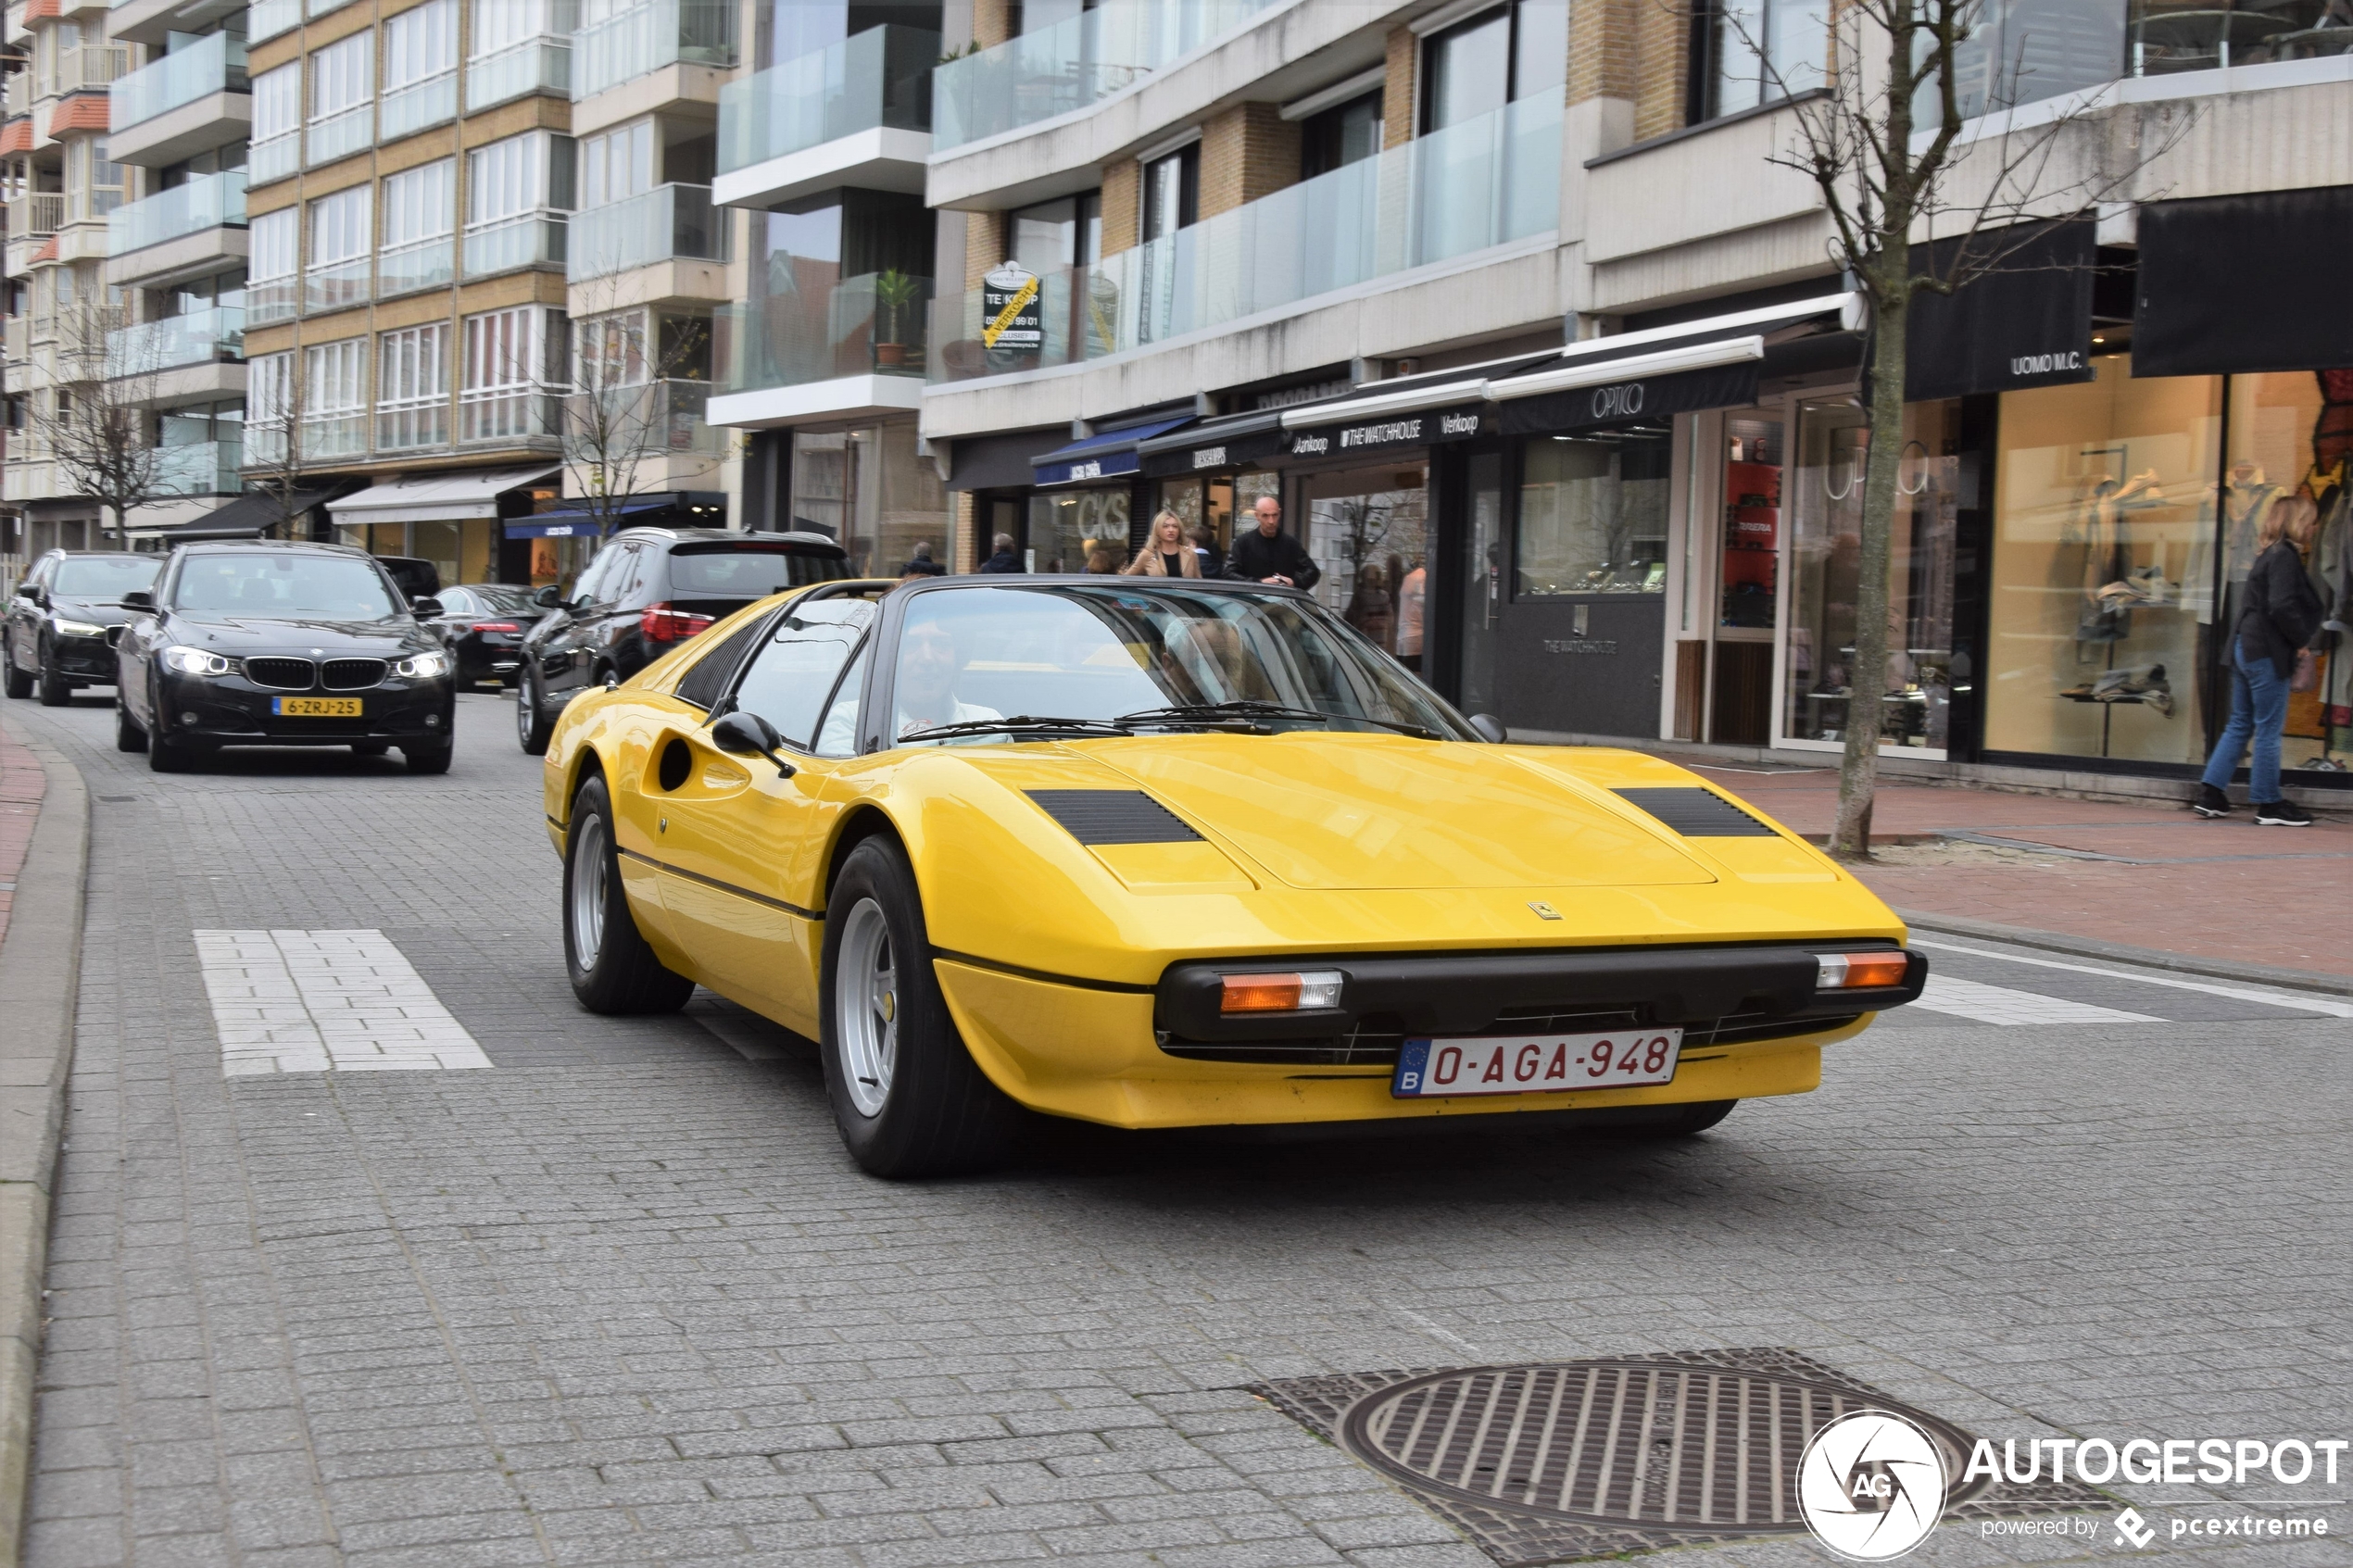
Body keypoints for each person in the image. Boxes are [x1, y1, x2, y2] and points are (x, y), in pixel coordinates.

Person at [2196, 493, 2325, 824]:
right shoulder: (2284, 556)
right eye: (2310, 520)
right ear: (2297, 522)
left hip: (2245, 647)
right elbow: (2281, 605)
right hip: (2266, 650)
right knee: (2268, 729)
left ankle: (2212, 794)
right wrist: (2300, 642)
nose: (2315, 527)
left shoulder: (2268, 553)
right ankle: (2269, 804)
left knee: (2240, 722)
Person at [1224, 495, 1320, 590]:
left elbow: (1313, 572)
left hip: (1282, 600)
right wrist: (1258, 582)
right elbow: (1228, 574)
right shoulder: (1242, 543)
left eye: (1275, 515)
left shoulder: (1291, 544)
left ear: (1279, 513)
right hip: (1250, 601)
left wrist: (1294, 582)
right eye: (1265, 515)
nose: (1271, 521)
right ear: (1257, 516)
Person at [1123, 511, 1202, 577]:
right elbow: (1126, 579)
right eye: (1165, 526)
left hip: (1185, 595)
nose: (1171, 530)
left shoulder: (1190, 554)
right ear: (1157, 530)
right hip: (1156, 596)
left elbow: (1198, 583)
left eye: (1175, 526)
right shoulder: (1147, 554)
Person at [1345, 561, 1394, 650]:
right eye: (1369, 579)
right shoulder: (1359, 596)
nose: (1371, 582)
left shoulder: (1383, 596)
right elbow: (1351, 617)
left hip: (1381, 637)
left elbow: (1389, 618)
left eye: (1373, 579)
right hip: (1363, 638)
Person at [1396, 557, 1428, 671]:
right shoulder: (1423, 578)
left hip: (1403, 636)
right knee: (1413, 678)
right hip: (1415, 635)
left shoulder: (1408, 579)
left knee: (1404, 676)